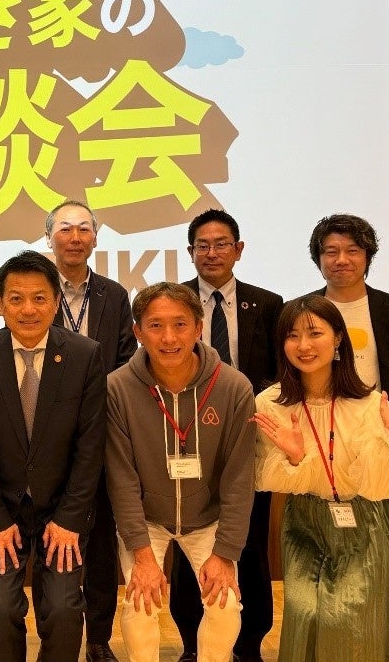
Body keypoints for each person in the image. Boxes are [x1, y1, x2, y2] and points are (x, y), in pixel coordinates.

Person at [252, 295, 389, 662]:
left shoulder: (370, 403)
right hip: (304, 521)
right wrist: (296, 457)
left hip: (364, 523)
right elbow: (269, 480)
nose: (303, 345)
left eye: (314, 333)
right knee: (305, 615)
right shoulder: (270, 403)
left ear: (338, 339)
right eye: (292, 336)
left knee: (348, 621)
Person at [0, 250, 106, 662]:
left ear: (56, 302)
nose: (28, 309)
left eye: (39, 298)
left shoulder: (84, 354)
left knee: (63, 608)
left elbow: (90, 445)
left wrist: (70, 519)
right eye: (16, 298)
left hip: (62, 508)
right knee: (1, 608)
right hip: (3, 510)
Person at [107, 282, 255, 662]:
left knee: (225, 604)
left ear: (199, 328)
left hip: (208, 518)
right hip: (147, 519)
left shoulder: (234, 387)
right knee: (140, 603)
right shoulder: (117, 388)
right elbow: (122, 479)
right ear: (138, 332)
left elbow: (239, 478)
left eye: (180, 324)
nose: (169, 338)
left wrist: (225, 553)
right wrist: (142, 556)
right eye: (155, 326)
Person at [172, 209, 282, 662]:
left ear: (238, 250)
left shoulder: (268, 304)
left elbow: (279, 374)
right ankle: (192, 642)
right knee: (187, 541)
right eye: (203, 245)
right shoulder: (174, 302)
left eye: (221, 244)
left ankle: (249, 642)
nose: (212, 253)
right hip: (186, 439)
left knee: (249, 541)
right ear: (190, 252)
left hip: (248, 438)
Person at [44, 199, 137, 662]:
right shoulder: (36, 290)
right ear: (49, 238)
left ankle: (98, 638)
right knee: (53, 539)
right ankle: (56, 636)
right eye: (65, 228)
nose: (75, 237)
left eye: (84, 228)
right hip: (45, 434)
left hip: (102, 429)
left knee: (100, 540)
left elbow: (124, 359)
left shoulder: (113, 295)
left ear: (96, 238)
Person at [308, 214, 389, 401]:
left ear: (367, 257)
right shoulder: (300, 311)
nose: (342, 260)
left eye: (352, 251)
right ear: (318, 259)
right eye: (331, 252)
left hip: (381, 417)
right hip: (315, 416)